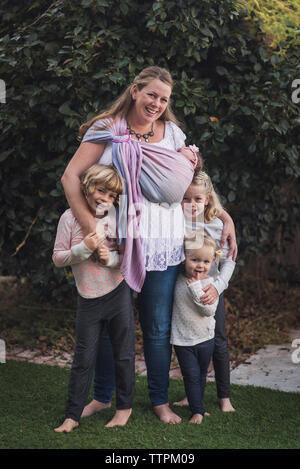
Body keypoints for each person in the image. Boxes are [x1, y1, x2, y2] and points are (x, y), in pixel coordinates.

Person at [60, 66, 238, 424]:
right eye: (151, 94)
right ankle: (103, 396)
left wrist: (225, 217)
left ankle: (159, 400)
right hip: (120, 245)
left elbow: (191, 187)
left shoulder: (172, 133)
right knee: (112, 328)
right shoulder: (110, 129)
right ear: (135, 90)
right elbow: (70, 177)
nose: (157, 103)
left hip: (166, 243)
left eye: (164, 99)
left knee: (157, 328)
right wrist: (91, 229)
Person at [53, 164, 135, 432]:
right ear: (87, 188)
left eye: (112, 196)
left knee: (123, 354)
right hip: (88, 299)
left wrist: (110, 259)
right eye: (101, 190)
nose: (106, 199)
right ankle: (72, 416)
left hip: (118, 293)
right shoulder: (69, 219)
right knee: (83, 358)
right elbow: (58, 258)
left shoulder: (115, 218)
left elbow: (130, 260)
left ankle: (124, 408)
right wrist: (83, 248)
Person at [173, 170, 236, 412]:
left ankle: (224, 397)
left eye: (197, 199)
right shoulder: (175, 220)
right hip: (184, 292)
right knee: (187, 342)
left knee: (218, 340)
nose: (191, 204)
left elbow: (229, 260)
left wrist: (218, 287)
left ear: (208, 199)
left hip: (212, 291)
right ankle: (192, 395)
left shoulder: (218, 224)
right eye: (185, 198)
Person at [170, 235, 222, 423]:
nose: (200, 265)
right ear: (184, 259)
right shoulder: (177, 279)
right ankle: (197, 411)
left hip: (205, 338)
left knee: (201, 375)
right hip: (183, 339)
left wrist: (196, 289)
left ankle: (197, 404)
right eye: (195, 260)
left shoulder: (211, 284)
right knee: (191, 376)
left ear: (213, 262)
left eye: (206, 261)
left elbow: (208, 310)